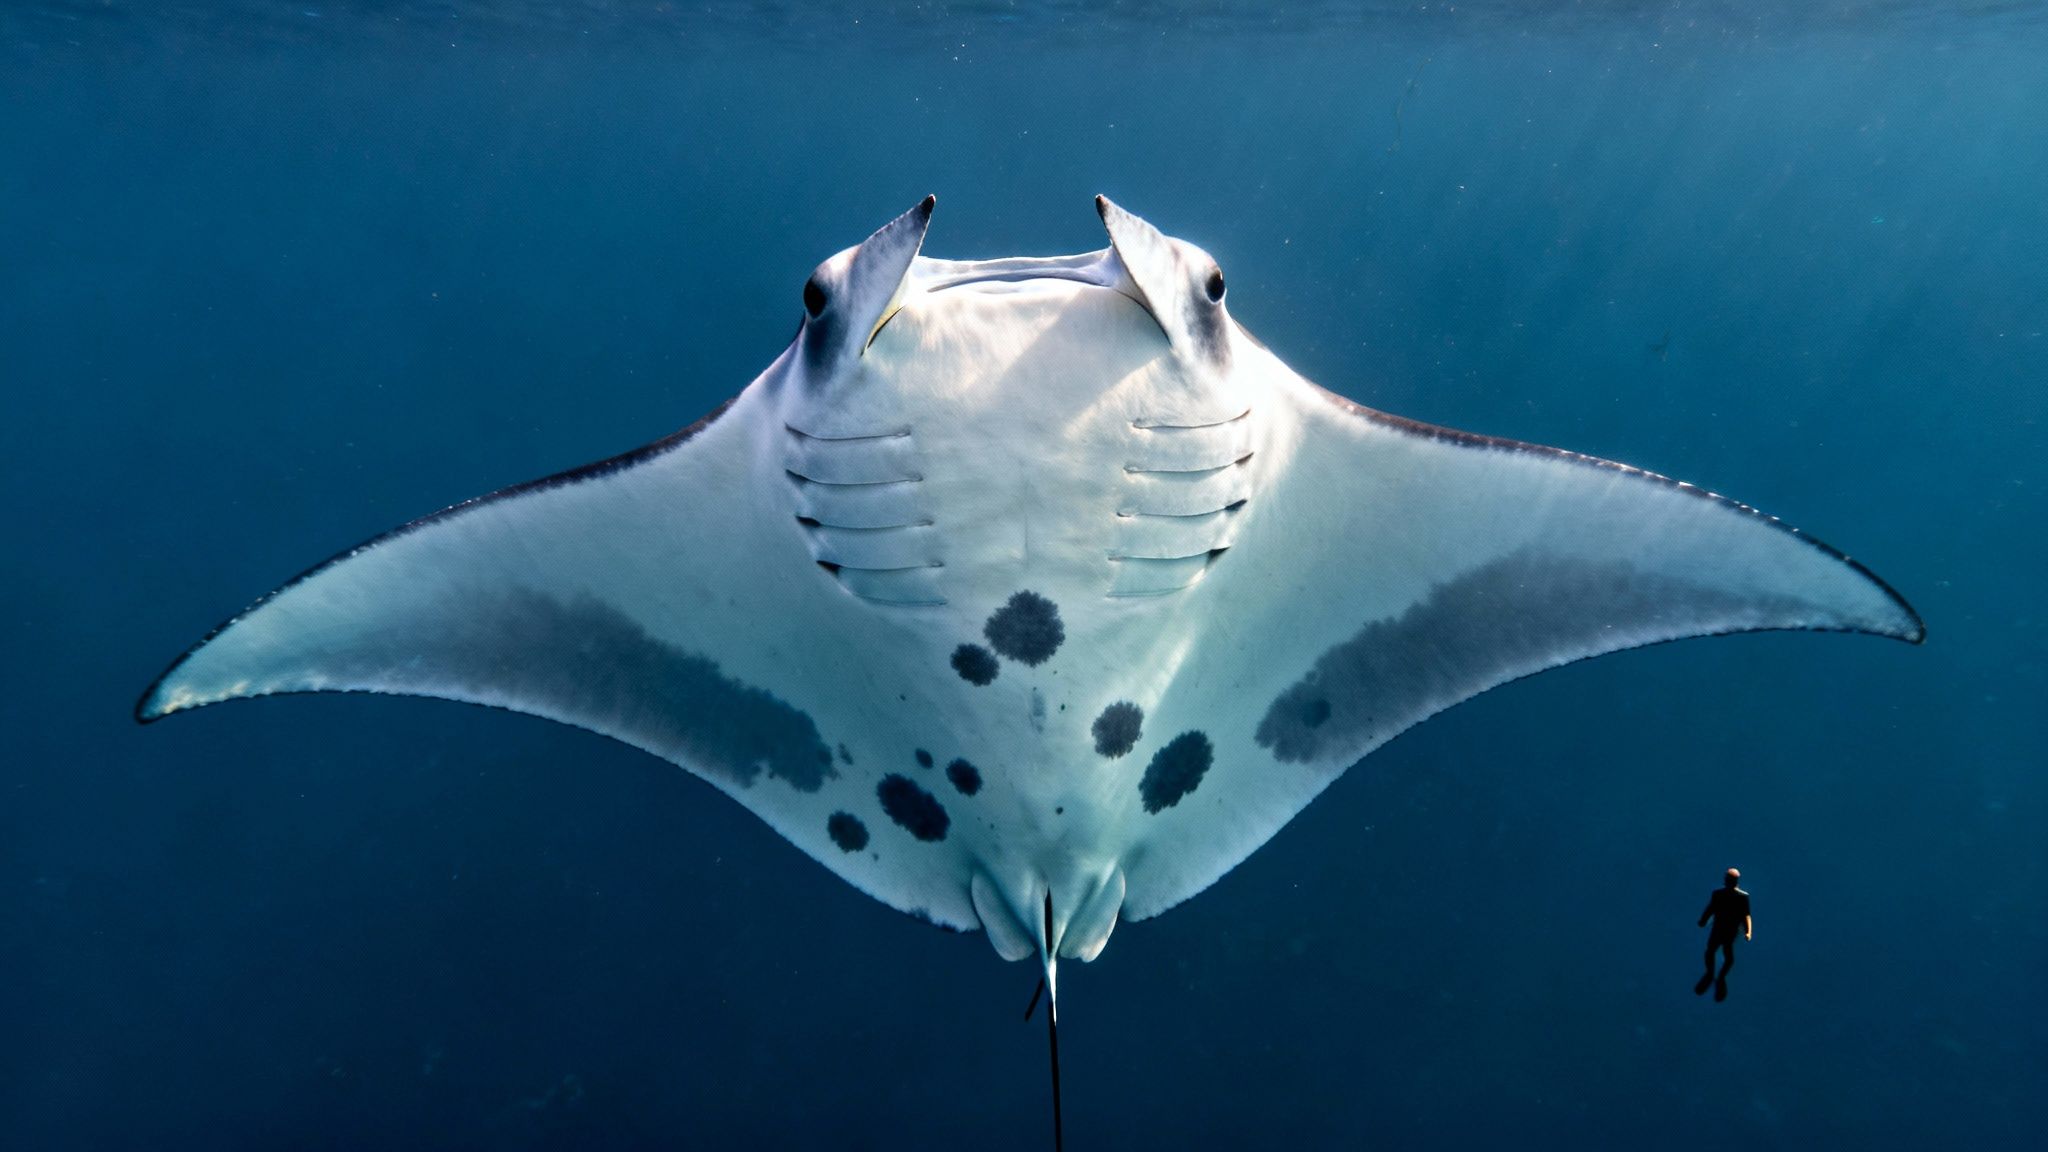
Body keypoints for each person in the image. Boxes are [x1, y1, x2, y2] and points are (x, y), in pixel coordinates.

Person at [1695, 867, 1752, 1001]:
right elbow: (1711, 908)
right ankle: (1712, 974)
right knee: (1712, 951)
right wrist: (1703, 920)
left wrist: (1748, 931)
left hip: (1729, 931)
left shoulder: (1742, 897)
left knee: (1726, 956)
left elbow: (1746, 916)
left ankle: (1718, 976)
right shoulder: (1718, 894)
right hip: (1720, 929)